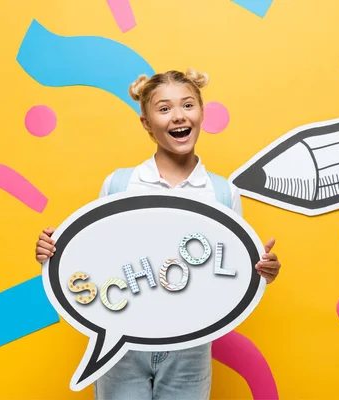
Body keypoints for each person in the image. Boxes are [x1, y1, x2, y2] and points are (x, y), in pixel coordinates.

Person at [35, 68, 282, 399]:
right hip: (122, 343)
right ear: (146, 123)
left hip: (191, 347)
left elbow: (230, 274)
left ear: (202, 112)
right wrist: (55, 254)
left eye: (188, 105)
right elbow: (94, 258)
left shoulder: (222, 193)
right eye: (164, 108)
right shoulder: (120, 185)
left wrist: (261, 272)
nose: (178, 116)